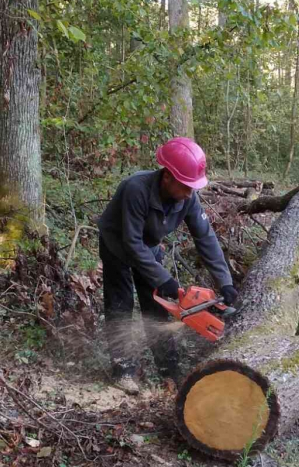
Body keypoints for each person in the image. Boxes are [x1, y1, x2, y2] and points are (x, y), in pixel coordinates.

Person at [97, 137, 238, 395]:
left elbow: (205, 237)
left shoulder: (188, 198)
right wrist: (164, 279)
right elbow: (131, 243)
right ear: (167, 177)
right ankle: (123, 370)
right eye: (185, 186)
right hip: (118, 244)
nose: (189, 192)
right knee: (121, 304)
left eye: (192, 187)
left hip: (147, 246)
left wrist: (225, 281)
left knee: (157, 309)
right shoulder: (135, 189)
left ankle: (169, 371)